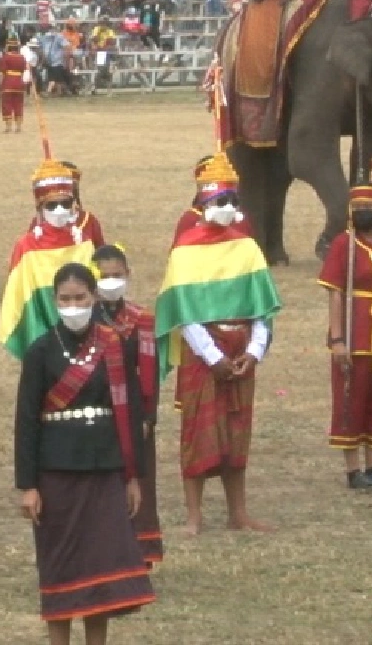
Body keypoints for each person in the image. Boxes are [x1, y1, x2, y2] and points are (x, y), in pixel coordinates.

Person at [15, 262, 154, 643]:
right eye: (65, 299)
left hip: (105, 467)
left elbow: (129, 413)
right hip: (56, 471)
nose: (73, 305)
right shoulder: (41, 350)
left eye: (80, 297)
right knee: (60, 564)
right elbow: (26, 420)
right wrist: (28, 485)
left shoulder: (113, 344)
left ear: (93, 298)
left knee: (101, 568)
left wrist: (132, 476)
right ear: (54, 301)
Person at [155, 152, 281, 534]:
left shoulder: (247, 248)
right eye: (218, 202)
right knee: (199, 428)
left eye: (232, 202)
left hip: (242, 348)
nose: (226, 209)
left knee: (237, 427)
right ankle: (194, 516)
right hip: (202, 352)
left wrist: (254, 352)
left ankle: (237, 512)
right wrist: (212, 355)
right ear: (202, 204)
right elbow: (184, 312)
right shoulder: (186, 250)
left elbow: (262, 308)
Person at [318, 185, 372, 490]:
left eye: (368, 206)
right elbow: (335, 292)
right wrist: (338, 338)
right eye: (357, 208)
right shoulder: (345, 244)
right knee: (351, 396)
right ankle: (353, 468)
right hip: (356, 328)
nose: (362, 213)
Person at [93, 245, 162, 565]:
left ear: (128, 276)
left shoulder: (141, 319)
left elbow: (150, 370)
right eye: (104, 277)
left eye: (116, 276)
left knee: (139, 479)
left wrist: (148, 415)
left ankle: (139, 550)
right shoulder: (84, 317)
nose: (110, 282)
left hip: (132, 408)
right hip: (95, 407)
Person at [0, 160, 104, 360]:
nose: (59, 210)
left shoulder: (84, 242)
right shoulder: (26, 246)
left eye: (65, 204)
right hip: (40, 332)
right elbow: (19, 295)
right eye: (52, 205)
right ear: (40, 207)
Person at [0, 33, 29, 134]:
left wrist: (0, 85)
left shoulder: (5, 57)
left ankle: (8, 127)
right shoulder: (21, 57)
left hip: (8, 82)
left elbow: (2, 72)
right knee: (18, 104)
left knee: (7, 104)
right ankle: (18, 126)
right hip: (19, 82)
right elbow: (25, 70)